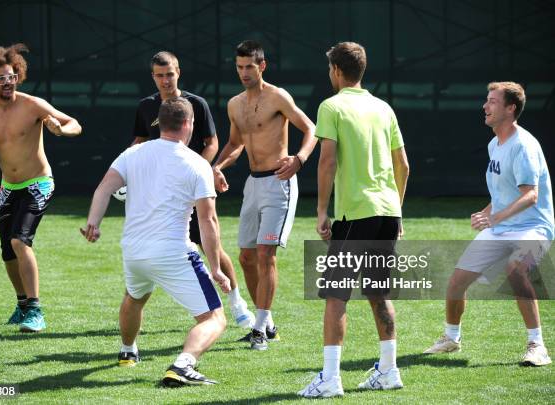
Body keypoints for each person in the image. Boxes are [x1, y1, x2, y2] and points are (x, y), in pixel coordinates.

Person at [82, 97, 231, 386]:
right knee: (214, 318)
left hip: (134, 251)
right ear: (188, 125)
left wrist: (93, 224)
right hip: (173, 253)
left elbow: (103, 189)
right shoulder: (197, 163)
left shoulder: (132, 153)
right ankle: (183, 365)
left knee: (135, 297)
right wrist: (216, 268)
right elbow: (208, 221)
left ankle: (127, 351)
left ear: (159, 124)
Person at [298, 41, 409, 398]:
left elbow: (326, 160)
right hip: (387, 211)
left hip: (355, 214)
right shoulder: (384, 108)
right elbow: (403, 165)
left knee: (335, 295)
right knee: (379, 292)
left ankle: (330, 378)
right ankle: (389, 371)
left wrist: (321, 211)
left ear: (335, 71)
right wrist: (397, 209)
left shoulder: (331, 106)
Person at [424, 82, 553, 367]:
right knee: (457, 282)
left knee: (515, 270)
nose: (485, 106)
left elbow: (530, 195)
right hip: (501, 227)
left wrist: (494, 218)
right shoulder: (495, 143)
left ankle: (537, 345)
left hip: (534, 227)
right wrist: (486, 212)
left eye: (493, 101)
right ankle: (451, 339)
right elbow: (503, 193)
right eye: (486, 100)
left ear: (510, 108)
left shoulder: (524, 146)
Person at [128, 51, 254, 329]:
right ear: (153, 76)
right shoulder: (146, 106)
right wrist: (129, 170)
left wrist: (200, 168)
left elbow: (211, 142)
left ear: (178, 72)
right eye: (159, 75)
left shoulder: (196, 103)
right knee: (156, 247)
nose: (165, 80)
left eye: (169, 74)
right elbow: (139, 141)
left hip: (192, 189)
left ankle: (236, 303)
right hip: (160, 194)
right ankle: (138, 312)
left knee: (212, 247)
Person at [0, 44, 82, 333]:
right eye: (1, 78)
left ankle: (35, 310)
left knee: (20, 241)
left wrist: (60, 129)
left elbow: (75, 124)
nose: (8, 82)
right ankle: (21, 304)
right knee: (7, 251)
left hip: (39, 183)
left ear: (18, 76)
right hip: (8, 187)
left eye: (11, 76)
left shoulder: (33, 105)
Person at [212, 40, 317, 350]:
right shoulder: (235, 104)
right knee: (245, 256)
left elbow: (310, 128)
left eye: (249, 67)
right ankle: (267, 325)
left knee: (264, 254)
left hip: (279, 182)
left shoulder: (277, 96)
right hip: (253, 184)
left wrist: (299, 159)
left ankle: (259, 327)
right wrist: (217, 166)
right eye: (239, 67)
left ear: (262, 66)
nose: (244, 72)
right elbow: (234, 144)